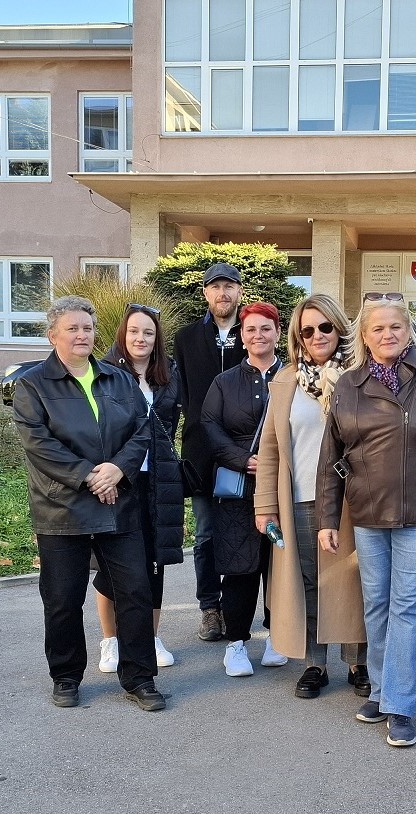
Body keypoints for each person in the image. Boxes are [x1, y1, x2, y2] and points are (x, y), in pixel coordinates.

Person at [317, 293, 416, 748]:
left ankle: (400, 705)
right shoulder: (348, 384)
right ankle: (382, 689)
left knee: (408, 605)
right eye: (378, 328)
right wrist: (328, 517)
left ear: (409, 331)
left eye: (396, 327)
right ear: (364, 337)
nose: (388, 335)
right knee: (377, 605)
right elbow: (331, 456)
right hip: (367, 512)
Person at [11, 295, 164, 712]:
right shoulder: (33, 385)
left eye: (88, 328)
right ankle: (65, 676)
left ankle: (140, 678)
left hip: (119, 504)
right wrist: (91, 476)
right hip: (62, 508)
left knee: (135, 592)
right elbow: (39, 445)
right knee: (62, 598)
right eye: (73, 328)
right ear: (53, 335)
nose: (83, 335)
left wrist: (117, 469)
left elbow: (142, 429)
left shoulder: (119, 380)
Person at [254, 294, 368, 700]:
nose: (317, 335)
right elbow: (270, 448)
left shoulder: (360, 374)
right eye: (307, 330)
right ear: (297, 338)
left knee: (354, 581)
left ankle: (359, 663)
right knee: (310, 582)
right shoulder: (286, 380)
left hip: (354, 498)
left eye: (325, 326)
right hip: (301, 497)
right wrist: (265, 506)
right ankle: (314, 664)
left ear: (340, 327)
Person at [93, 303, 183, 673]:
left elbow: (171, 424)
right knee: (111, 564)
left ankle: (150, 636)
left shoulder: (168, 374)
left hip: (157, 481)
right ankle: (110, 640)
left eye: (148, 332)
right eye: (134, 331)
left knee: (154, 561)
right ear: (123, 334)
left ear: (156, 338)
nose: (140, 338)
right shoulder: (106, 373)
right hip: (118, 481)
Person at [201, 302, 289, 676]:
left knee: (280, 565)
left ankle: (278, 636)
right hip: (239, 487)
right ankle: (236, 643)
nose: (258, 335)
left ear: (278, 333)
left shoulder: (294, 377)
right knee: (240, 566)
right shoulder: (224, 382)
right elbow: (209, 425)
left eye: (266, 328)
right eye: (250, 329)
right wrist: (242, 458)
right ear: (242, 336)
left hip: (284, 484)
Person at [174, 262, 247, 642]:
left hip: (243, 453)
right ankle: (210, 608)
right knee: (205, 534)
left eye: (229, 286)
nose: (223, 293)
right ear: (205, 293)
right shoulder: (187, 338)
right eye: (216, 287)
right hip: (201, 451)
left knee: (240, 532)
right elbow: (182, 395)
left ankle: (237, 609)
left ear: (239, 291)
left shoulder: (250, 332)